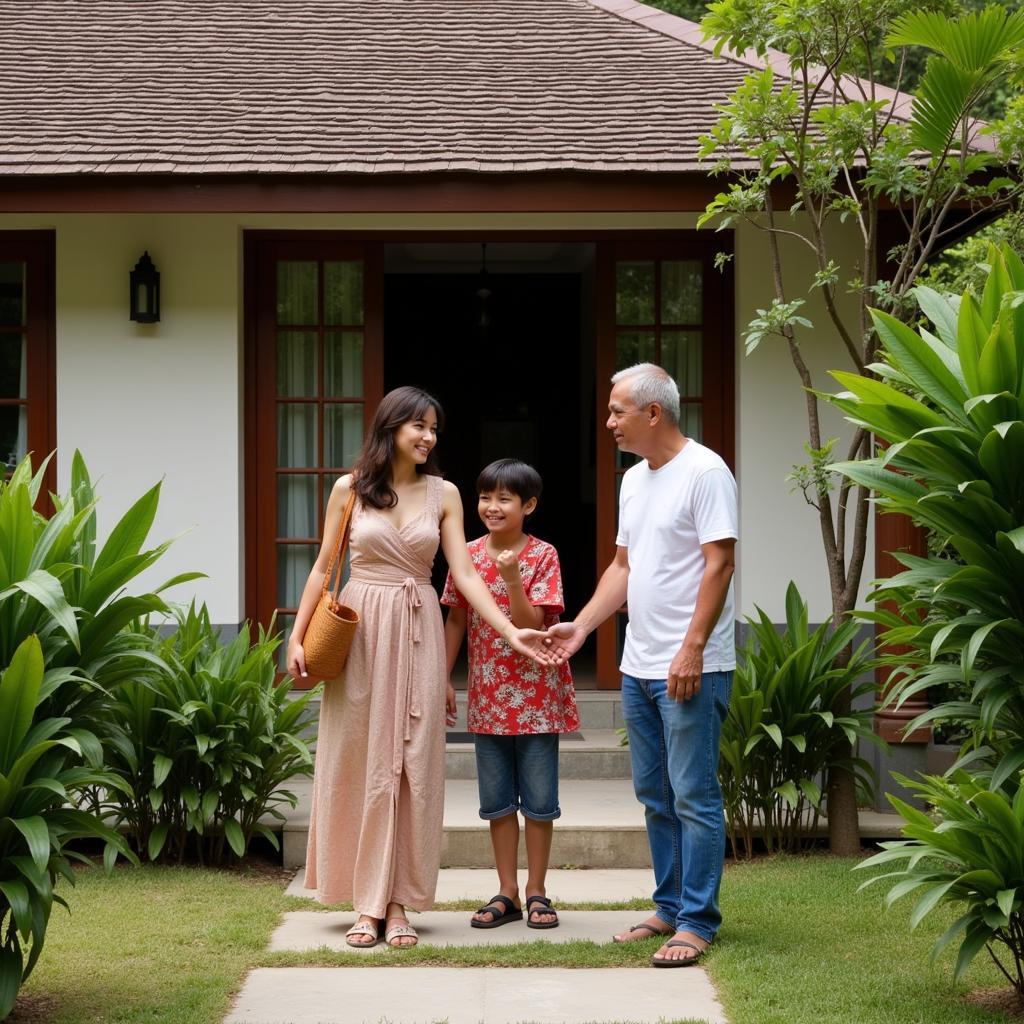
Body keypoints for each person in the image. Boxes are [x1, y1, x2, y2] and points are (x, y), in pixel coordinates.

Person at [286, 386, 551, 950]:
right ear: (392, 427)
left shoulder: (447, 493)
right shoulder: (350, 489)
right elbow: (322, 567)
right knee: (360, 758)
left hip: (418, 630)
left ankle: (400, 902)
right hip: (362, 630)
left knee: (413, 765)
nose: (429, 436)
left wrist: (506, 630)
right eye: (418, 426)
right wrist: (298, 633)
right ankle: (366, 902)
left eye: (434, 428)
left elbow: (467, 576)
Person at [541, 363, 737, 968]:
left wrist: (694, 646)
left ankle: (698, 921)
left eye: (617, 410)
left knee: (694, 795)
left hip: (690, 665)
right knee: (655, 792)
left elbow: (719, 563)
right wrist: (583, 625)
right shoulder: (633, 481)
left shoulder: (706, 471)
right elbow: (624, 567)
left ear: (653, 413)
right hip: (639, 663)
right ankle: (670, 906)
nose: (609, 423)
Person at [441, 459, 579, 931]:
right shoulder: (467, 554)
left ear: (529, 505)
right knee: (497, 802)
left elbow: (533, 625)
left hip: (538, 696)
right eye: (485, 497)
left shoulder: (544, 554)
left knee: (539, 802)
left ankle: (538, 890)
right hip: (487, 696)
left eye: (504, 498)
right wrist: (443, 676)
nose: (491, 507)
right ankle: (507, 892)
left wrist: (513, 578)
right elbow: (457, 618)